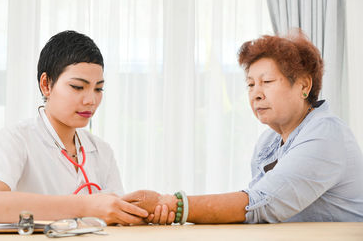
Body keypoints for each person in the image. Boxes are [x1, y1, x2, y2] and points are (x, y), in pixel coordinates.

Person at [122, 31, 363, 223]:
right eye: (250, 85)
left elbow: (260, 205)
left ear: (304, 86)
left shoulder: (326, 134)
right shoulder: (268, 141)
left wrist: (173, 205)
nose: (256, 94)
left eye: (267, 82)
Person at [0, 30, 148, 225]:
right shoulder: (16, 139)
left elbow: (116, 217)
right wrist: (86, 206)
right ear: (46, 84)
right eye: (77, 87)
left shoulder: (101, 151)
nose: (91, 100)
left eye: (98, 89)